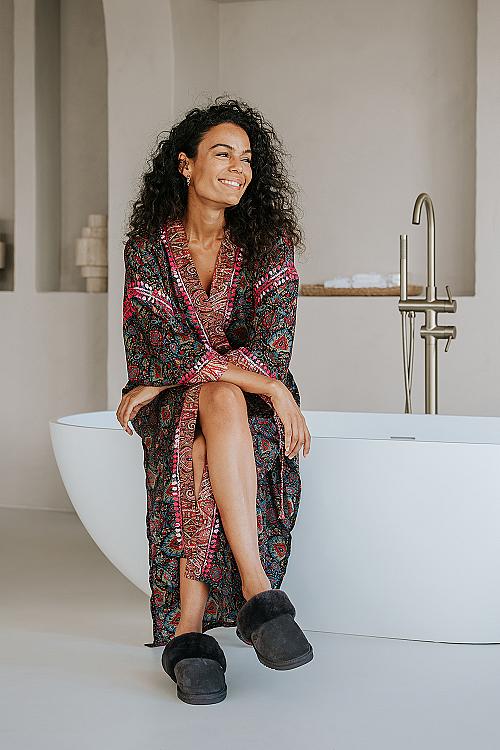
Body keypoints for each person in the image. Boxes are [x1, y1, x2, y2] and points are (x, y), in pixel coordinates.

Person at [116, 96, 313, 704]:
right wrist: (265, 385)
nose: (238, 168)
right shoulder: (149, 245)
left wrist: (261, 381)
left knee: (209, 428)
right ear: (185, 164)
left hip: (241, 399)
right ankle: (259, 594)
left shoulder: (270, 243)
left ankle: (189, 632)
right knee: (212, 401)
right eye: (222, 153)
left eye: (247, 158)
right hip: (179, 398)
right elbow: (152, 339)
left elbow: (273, 346)